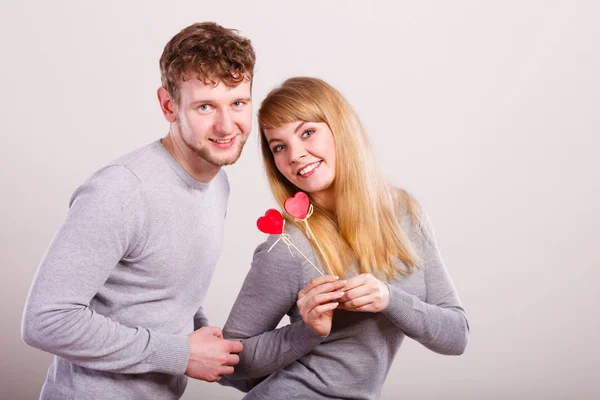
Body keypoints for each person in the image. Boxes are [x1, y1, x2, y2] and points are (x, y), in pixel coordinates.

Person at [21, 22, 255, 399]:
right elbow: (45, 322)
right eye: (205, 106)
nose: (226, 126)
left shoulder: (217, 183)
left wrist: (201, 335)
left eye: (238, 103)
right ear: (168, 105)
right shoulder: (121, 190)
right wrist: (181, 353)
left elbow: (163, 291)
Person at [222, 77, 470, 399]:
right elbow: (230, 360)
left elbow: (456, 336)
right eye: (279, 147)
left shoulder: (405, 214)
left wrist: (389, 299)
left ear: (341, 128)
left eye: (307, 132)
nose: (295, 155)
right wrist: (307, 331)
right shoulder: (287, 245)